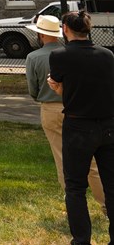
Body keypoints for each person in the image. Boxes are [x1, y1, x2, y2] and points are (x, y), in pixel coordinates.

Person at [25, 13, 106, 215]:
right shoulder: (70, 53)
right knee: (93, 162)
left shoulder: (34, 58)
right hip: (81, 109)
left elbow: (33, 89)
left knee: (62, 159)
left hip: (51, 109)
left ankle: (74, 206)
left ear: (41, 35)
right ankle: (105, 204)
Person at [46, 11, 114, 245]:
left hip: (78, 126)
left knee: (75, 187)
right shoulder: (107, 55)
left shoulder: (59, 56)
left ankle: (81, 240)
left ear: (65, 28)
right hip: (108, 125)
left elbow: (59, 83)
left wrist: (58, 91)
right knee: (111, 185)